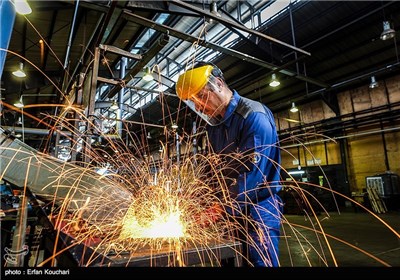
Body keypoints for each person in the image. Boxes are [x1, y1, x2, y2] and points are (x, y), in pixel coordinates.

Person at [176, 62, 283, 267]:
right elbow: (213, 166)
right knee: (229, 258)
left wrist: (217, 209)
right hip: (229, 209)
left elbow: (252, 174)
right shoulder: (214, 125)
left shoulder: (253, 116)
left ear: (218, 84)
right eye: (192, 101)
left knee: (259, 260)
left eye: (200, 97)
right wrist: (195, 196)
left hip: (258, 207)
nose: (198, 106)